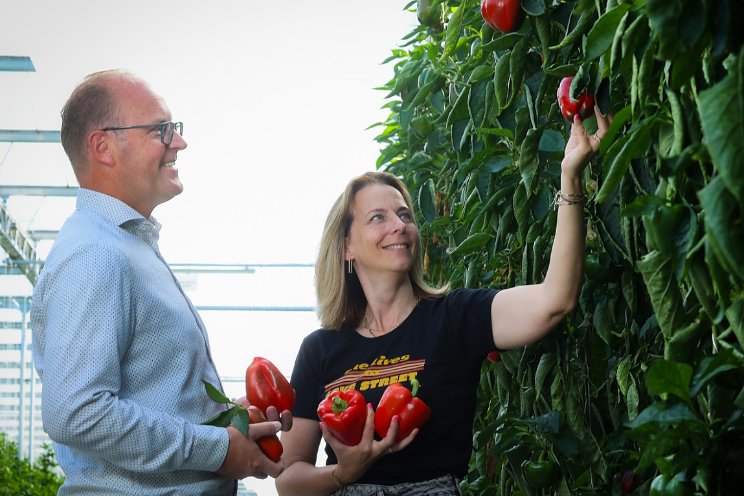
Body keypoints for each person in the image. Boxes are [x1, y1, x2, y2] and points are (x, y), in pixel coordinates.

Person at [275, 108, 612, 496]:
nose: (399, 226)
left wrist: (570, 178)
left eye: (404, 215)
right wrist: (342, 474)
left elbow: (555, 300)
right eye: (378, 218)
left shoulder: (455, 318)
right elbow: (289, 482)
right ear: (347, 246)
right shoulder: (320, 349)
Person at [30, 69, 290, 495]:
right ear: (104, 147)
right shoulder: (96, 254)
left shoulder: (126, 245)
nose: (179, 142)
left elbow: (149, 393)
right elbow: (76, 412)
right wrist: (217, 450)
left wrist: (223, 421)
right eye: (161, 130)